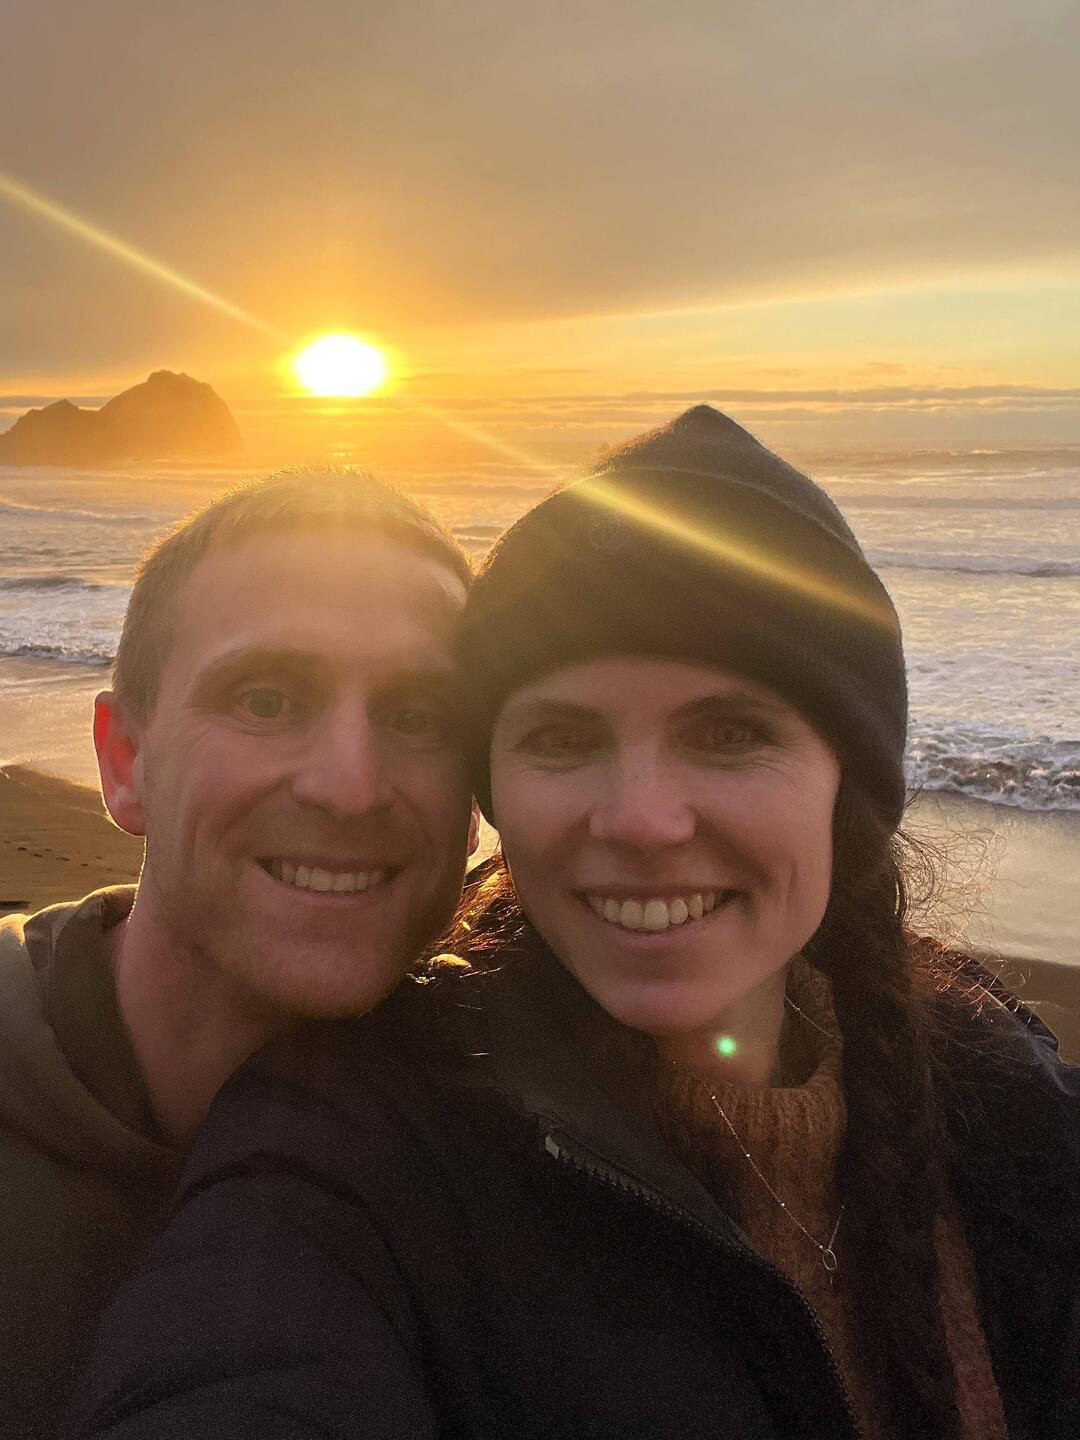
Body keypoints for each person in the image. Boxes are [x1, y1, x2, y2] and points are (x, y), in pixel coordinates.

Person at [71, 409, 1080, 1440]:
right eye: (563, 736)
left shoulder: (1005, 1087)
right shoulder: (359, 1139)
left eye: (729, 733)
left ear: (846, 784)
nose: (641, 820)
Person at [0, 468, 476, 1440]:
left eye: (421, 716)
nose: (349, 787)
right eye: (265, 699)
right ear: (125, 762)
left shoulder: (536, 1132)